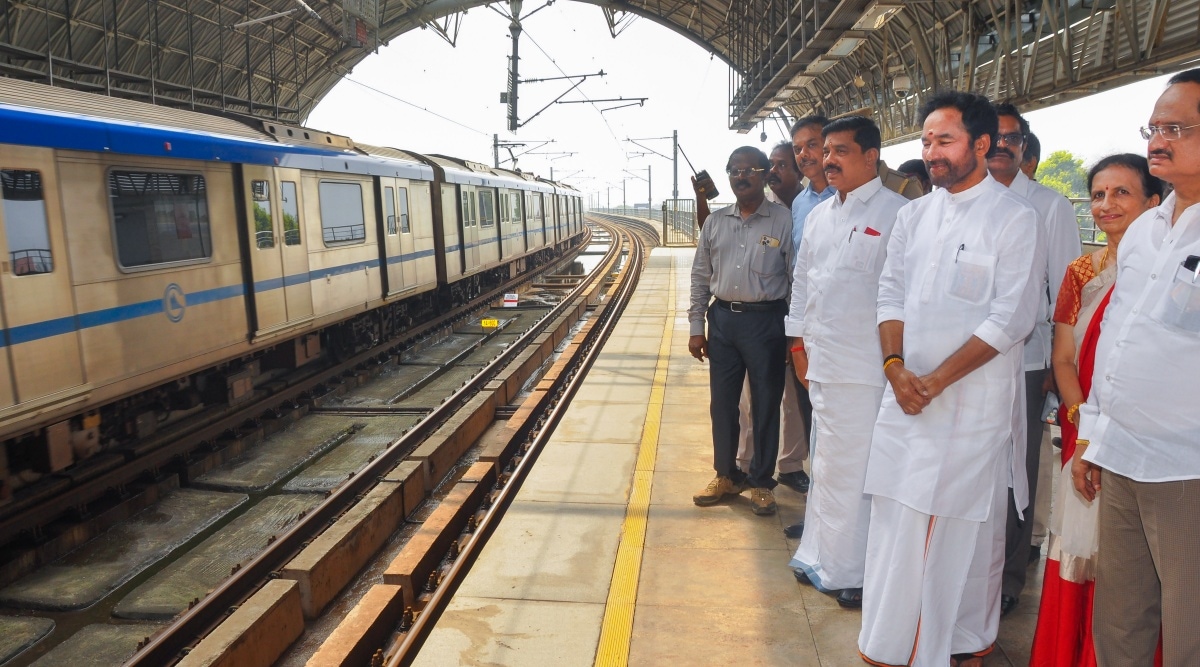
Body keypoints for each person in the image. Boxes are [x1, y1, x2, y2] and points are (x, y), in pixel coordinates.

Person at [857, 91, 1043, 667]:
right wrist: (895, 368)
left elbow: (1011, 319)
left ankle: (935, 646)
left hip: (967, 403)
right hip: (904, 395)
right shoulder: (914, 215)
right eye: (926, 141)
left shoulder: (1015, 219)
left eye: (944, 140)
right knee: (897, 514)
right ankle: (901, 640)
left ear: (981, 145)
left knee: (950, 526)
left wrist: (934, 382)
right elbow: (889, 294)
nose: (930, 152)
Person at [1075, 68, 1200, 667]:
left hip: (1189, 469)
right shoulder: (1148, 228)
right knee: (1120, 625)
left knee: (1190, 632)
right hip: (1122, 457)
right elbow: (1117, 338)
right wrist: (1090, 437)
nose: (1158, 140)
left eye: (1176, 127)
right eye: (1154, 126)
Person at [1029, 154, 1163, 666]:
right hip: (1084, 427)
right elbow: (1064, 357)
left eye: (1122, 193)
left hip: (1140, 435)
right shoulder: (1081, 271)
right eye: (1099, 195)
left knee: (1134, 564)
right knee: (1079, 548)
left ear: (1154, 201)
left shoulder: (1162, 272)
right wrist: (1085, 421)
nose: (1106, 205)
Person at [784, 116, 907, 609]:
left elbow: (901, 296)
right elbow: (803, 285)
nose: (828, 160)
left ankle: (855, 571)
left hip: (869, 368)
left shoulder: (899, 213)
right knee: (828, 467)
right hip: (822, 364)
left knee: (860, 472)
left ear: (871, 156)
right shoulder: (818, 215)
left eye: (840, 151)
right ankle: (820, 556)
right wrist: (798, 346)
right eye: (826, 151)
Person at [987, 102, 1081, 616]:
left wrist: (1051, 362)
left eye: (1012, 138)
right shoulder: (960, 203)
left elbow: (1067, 294)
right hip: (964, 364)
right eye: (993, 137)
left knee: (1017, 472)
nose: (1002, 146)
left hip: (1024, 361)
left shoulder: (1049, 206)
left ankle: (1008, 578)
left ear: (1024, 145)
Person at [689, 146, 794, 516]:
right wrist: (695, 325)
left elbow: (796, 280)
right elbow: (701, 276)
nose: (741, 176)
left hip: (767, 322)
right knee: (722, 404)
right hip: (722, 323)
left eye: (750, 169)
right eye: (734, 170)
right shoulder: (716, 222)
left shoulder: (783, 221)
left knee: (766, 404)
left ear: (765, 175)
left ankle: (762, 483)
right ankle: (727, 475)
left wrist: (793, 336)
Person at [735, 142, 812, 495]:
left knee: (794, 398)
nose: (777, 171)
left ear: (798, 171)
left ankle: (791, 464)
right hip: (766, 319)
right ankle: (746, 461)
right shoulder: (762, 208)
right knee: (753, 398)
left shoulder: (811, 206)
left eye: (785, 164)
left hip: (797, 315)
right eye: (775, 164)